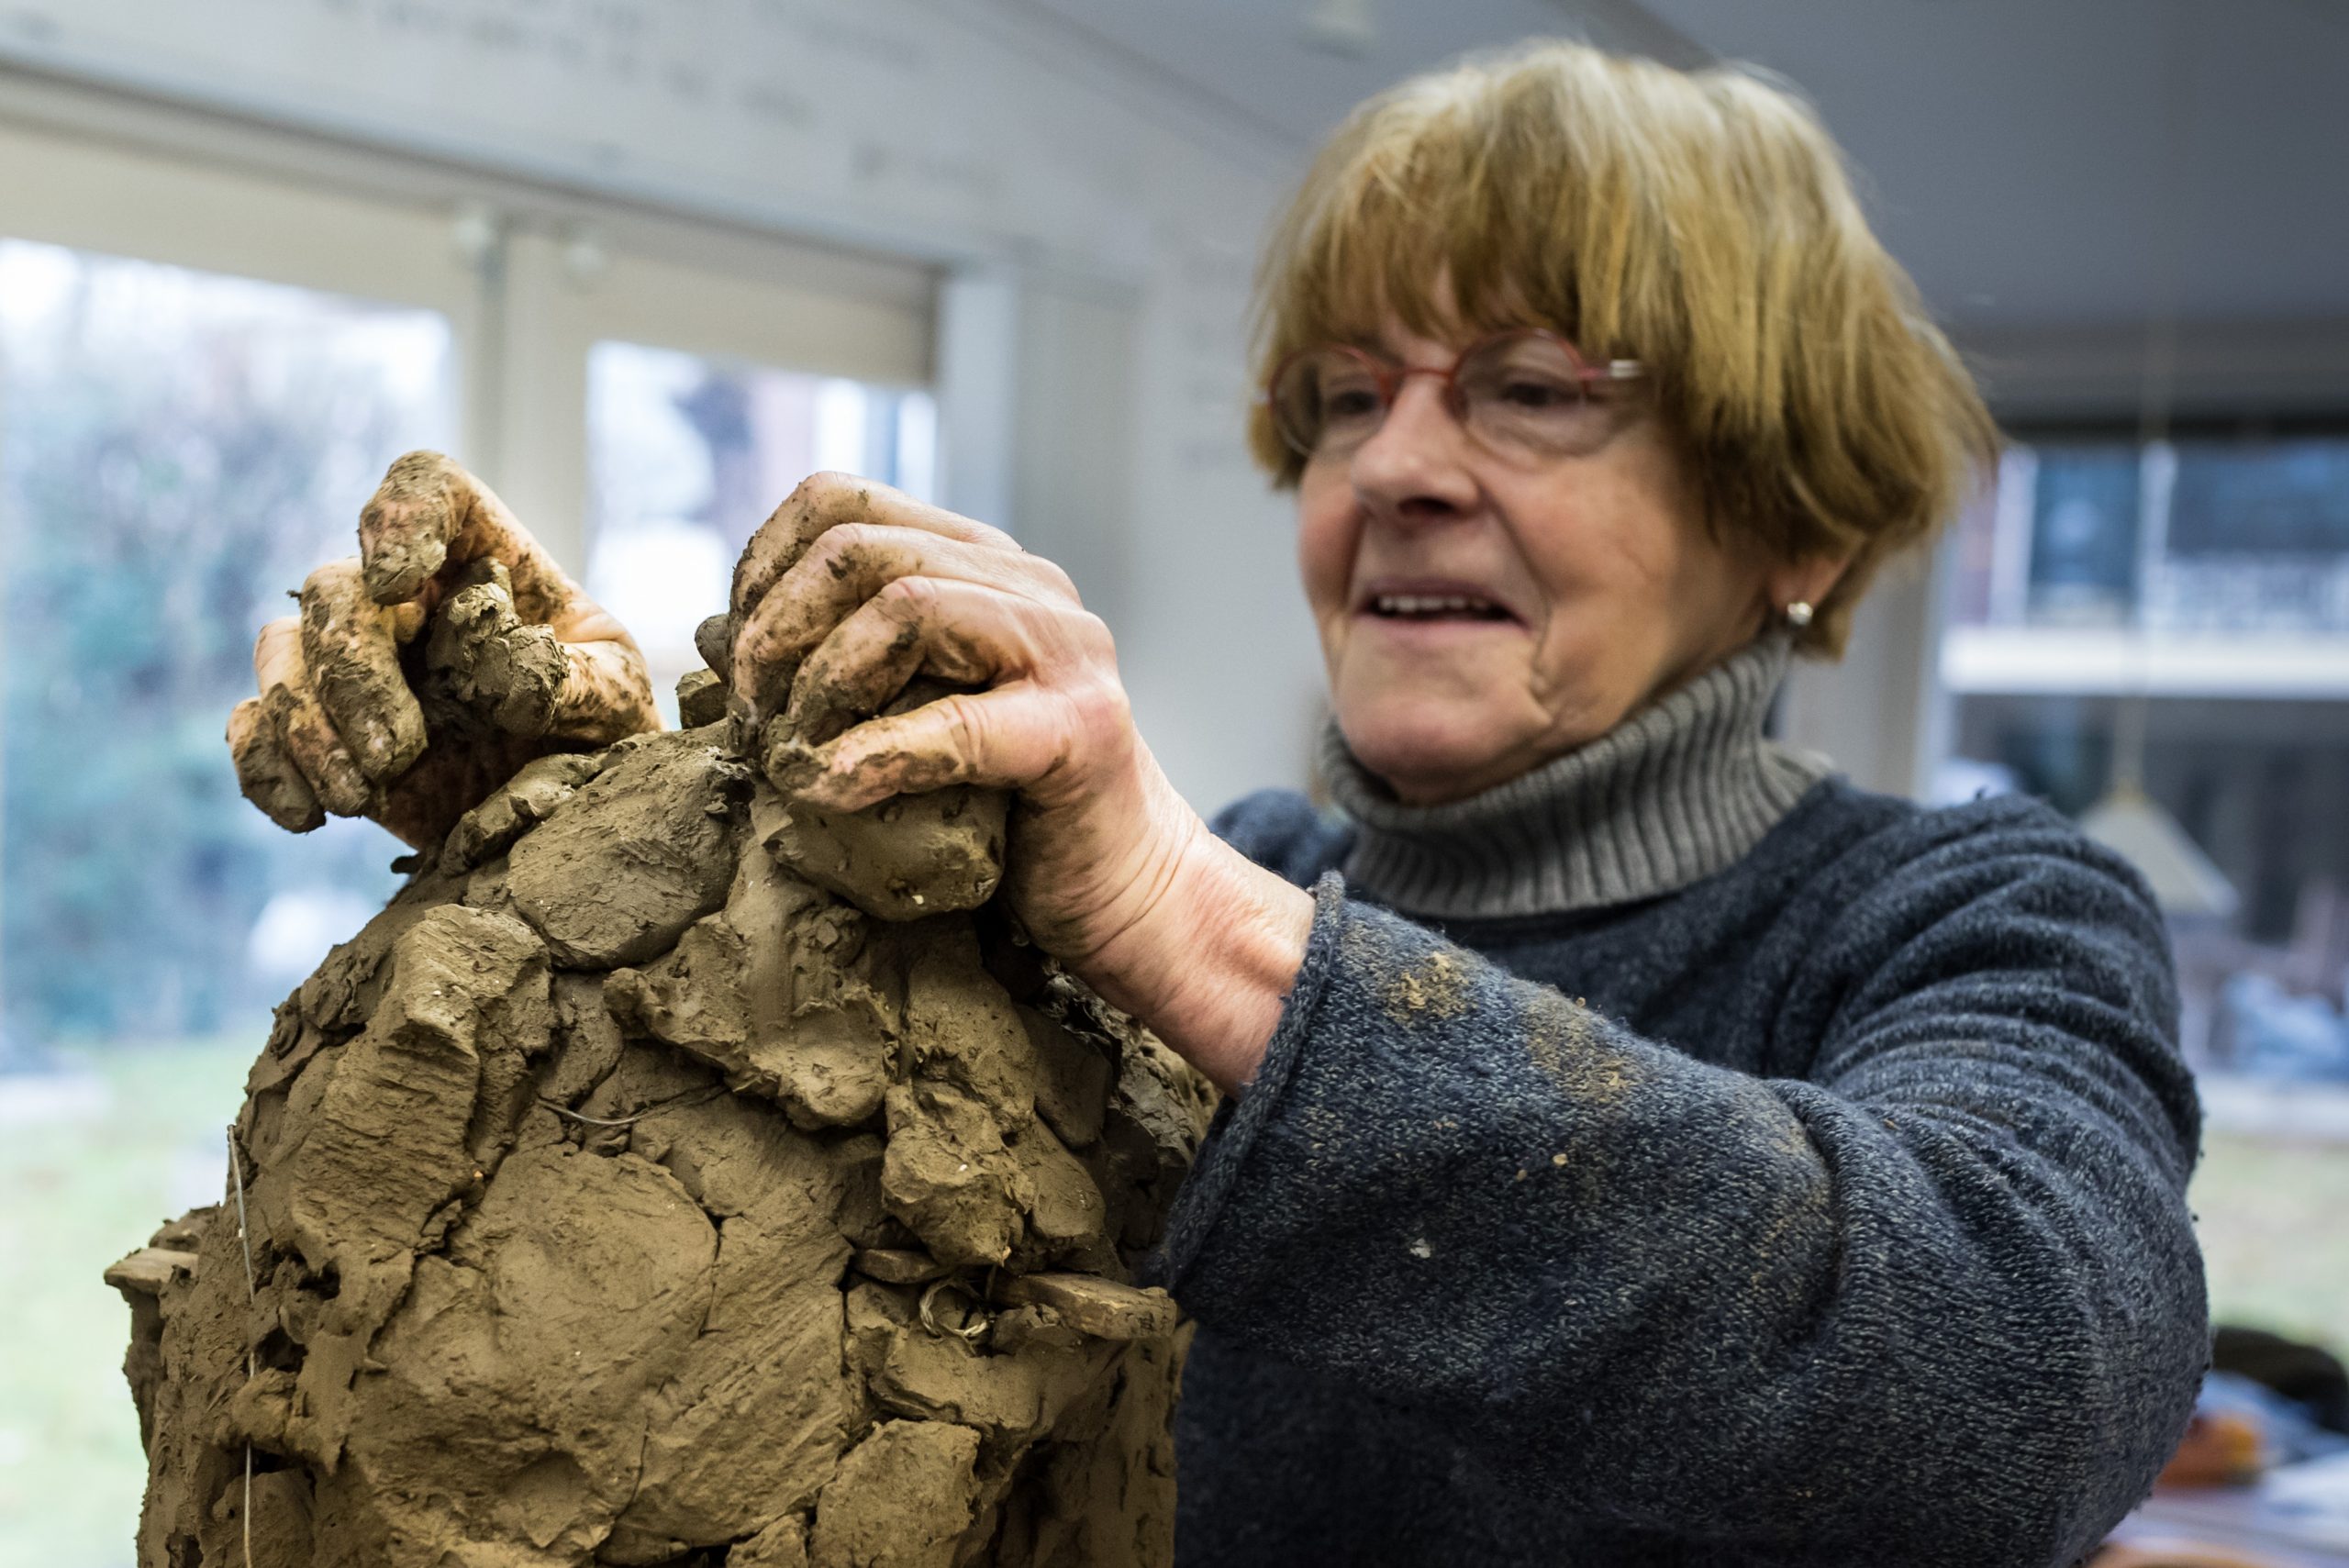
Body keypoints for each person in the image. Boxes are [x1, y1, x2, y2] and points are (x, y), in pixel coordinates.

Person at [230, 39, 2207, 1568]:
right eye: (1347, 396)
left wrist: (1190, 924)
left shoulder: (1961, 915)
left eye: (1530, 387)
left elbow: (2006, 1391)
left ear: (1783, 507)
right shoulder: (1239, 884)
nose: (1392, 472)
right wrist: (560, 812)